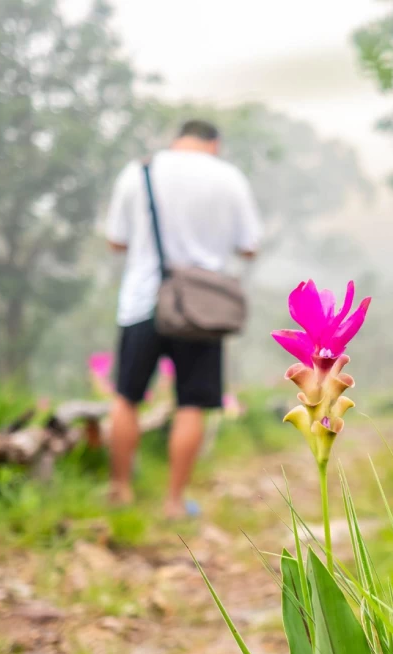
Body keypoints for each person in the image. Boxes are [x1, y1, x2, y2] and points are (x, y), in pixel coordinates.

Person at [104, 119, 261, 518]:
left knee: (127, 397)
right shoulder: (229, 178)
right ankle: (174, 502)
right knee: (191, 403)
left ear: (176, 140)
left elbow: (115, 239)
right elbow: (249, 246)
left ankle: (120, 490)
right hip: (201, 308)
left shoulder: (139, 171)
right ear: (215, 143)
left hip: (143, 301)